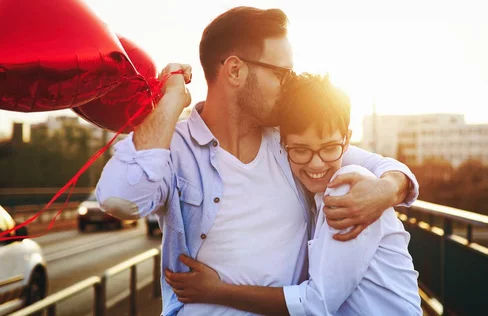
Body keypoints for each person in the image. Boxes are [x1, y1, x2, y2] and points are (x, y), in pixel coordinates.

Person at [96, 7, 419, 316]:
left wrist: (385, 192)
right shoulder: (175, 147)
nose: (289, 84)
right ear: (235, 70)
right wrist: (171, 101)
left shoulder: (294, 143)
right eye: (282, 74)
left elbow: (386, 169)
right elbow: (120, 201)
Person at [164, 73, 423, 315]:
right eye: (300, 150)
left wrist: (217, 291)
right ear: (282, 144)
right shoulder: (320, 175)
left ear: (348, 141)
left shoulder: (348, 190)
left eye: (329, 148)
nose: (317, 164)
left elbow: (316, 304)